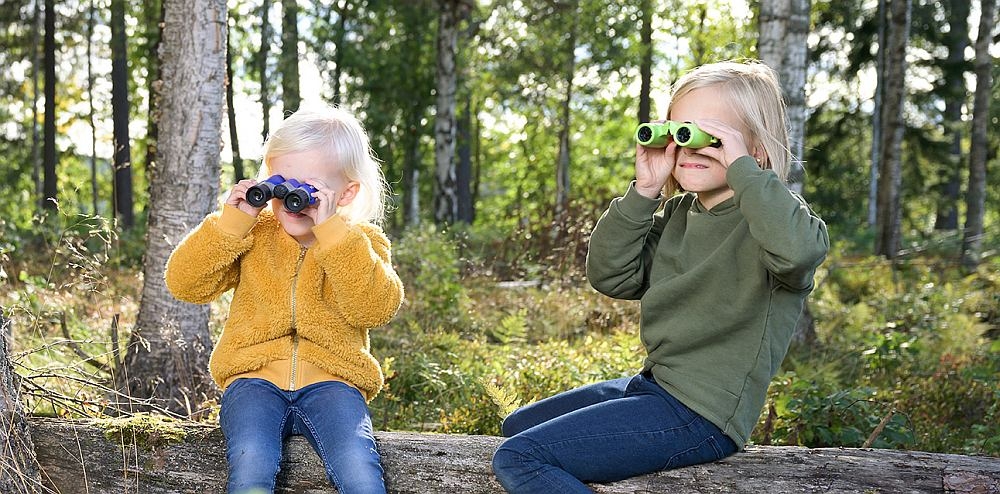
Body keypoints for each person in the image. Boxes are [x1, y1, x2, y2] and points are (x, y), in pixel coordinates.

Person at [491, 60, 830, 492]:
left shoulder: (775, 224)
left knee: (520, 457)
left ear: (757, 149)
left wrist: (745, 171)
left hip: (703, 413)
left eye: (711, 136)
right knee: (517, 425)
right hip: (656, 387)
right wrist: (645, 191)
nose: (688, 148)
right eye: (678, 132)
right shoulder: (677, 215)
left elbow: (799, 254)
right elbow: (611, 276)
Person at [165, 104, 404, 494]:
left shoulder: (361, 243)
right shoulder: (254, 234)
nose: (292, 200)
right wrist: (232, 223)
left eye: (309, 189)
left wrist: (333, 237)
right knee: (251, 461)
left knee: (358, 467)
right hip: (252, 380)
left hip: (335, 382)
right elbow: (185, 284)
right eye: (282, 184)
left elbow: (374, 308)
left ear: (346, 193)